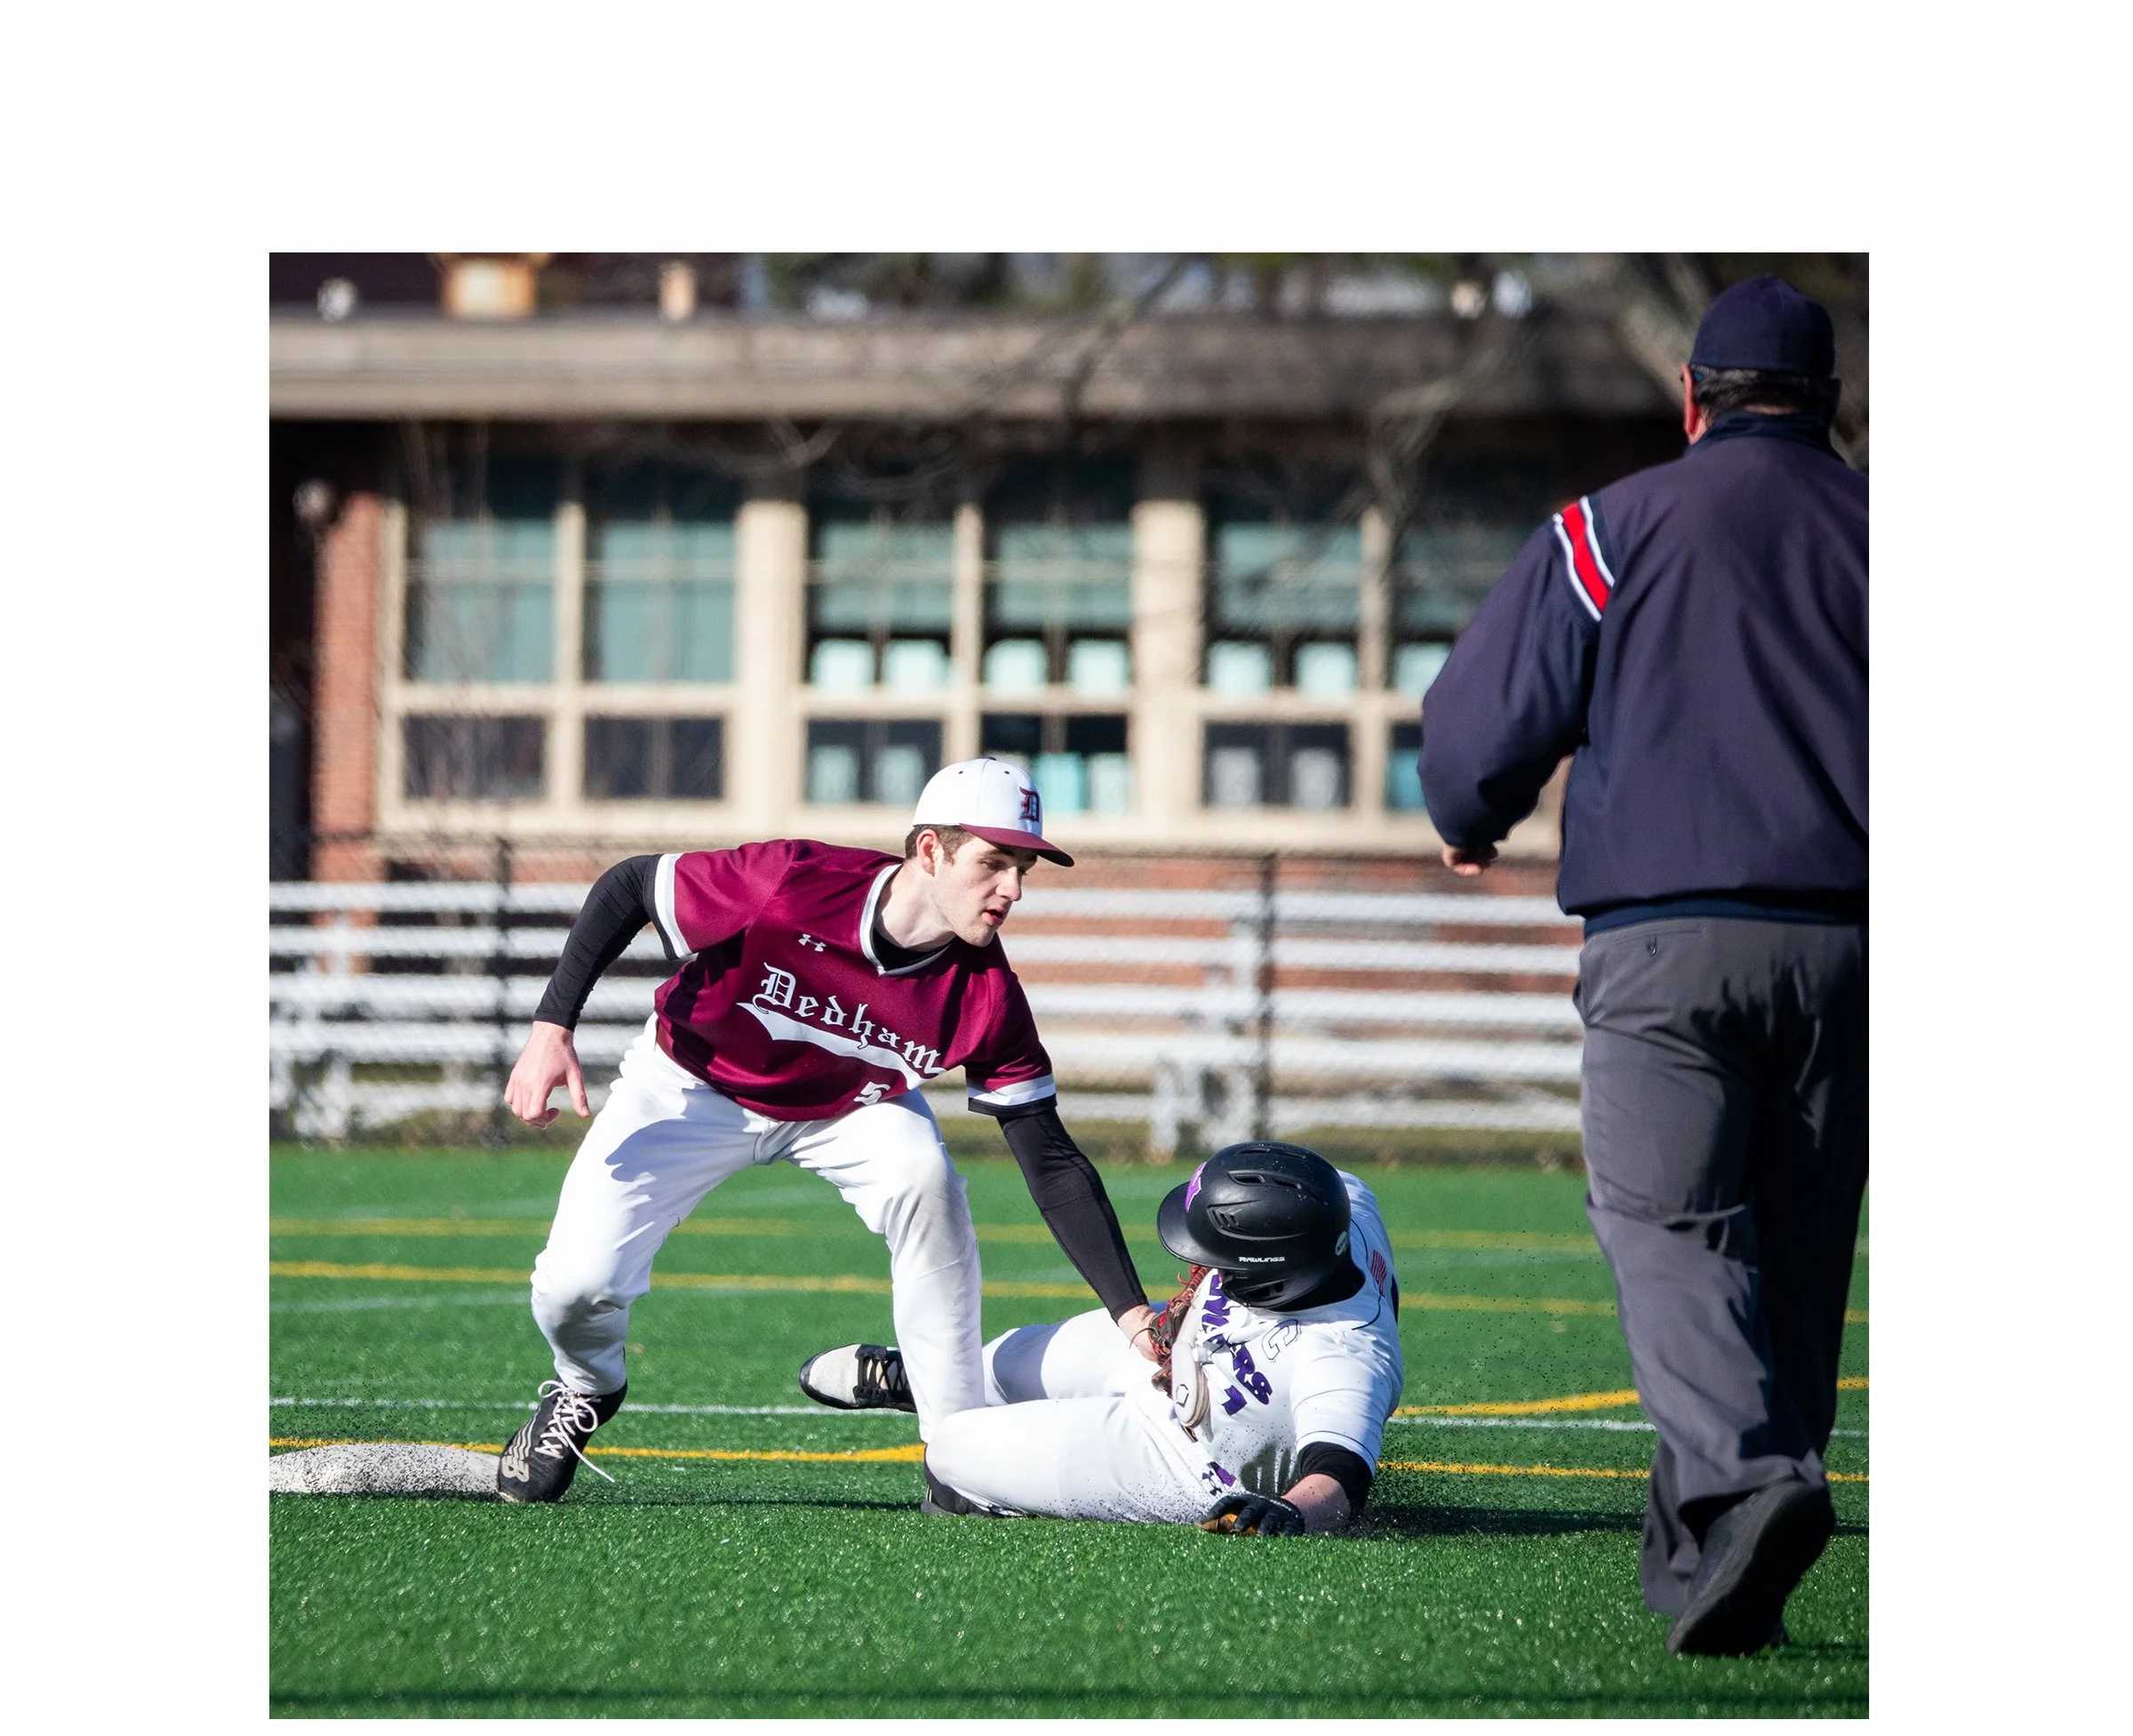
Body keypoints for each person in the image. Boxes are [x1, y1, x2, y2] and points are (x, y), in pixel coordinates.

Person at [1418, 275, 1866, 1655]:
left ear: (1690, 398)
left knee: (1670, 1227)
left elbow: (1483, 718)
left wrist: (1472, 813)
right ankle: (1704, 1567)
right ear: (1830, 402)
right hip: (1860, 943)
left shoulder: (1611, 528)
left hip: (1668, 937)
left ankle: (1752, 1482)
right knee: (1796, 1255)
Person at [494, 757, 1159, 1503]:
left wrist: (1131, 1312)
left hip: (848, 1108)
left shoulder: (986, 995)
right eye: (994, 863)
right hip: (691, 1083)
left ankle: (958, 1452)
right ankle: (587, 1385)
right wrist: (552, 1027)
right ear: (931, 851)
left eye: (1023, 869)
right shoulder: (792, 882)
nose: (1013, 889)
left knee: (924, 1176)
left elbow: (1052, 1163)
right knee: (572, 1289)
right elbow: (630, 885)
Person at [802, 1142, 1402, 1534]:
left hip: (1184, 1455)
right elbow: (1331, 1181)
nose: (1201, 1262)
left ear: (1272, 1272)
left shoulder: (1342, 1358)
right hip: (1176, 1350)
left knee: (952, 1448)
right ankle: (927, 1382)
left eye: (1219, 1256)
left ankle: (984, 1494)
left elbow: (1340, 1474)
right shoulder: (1337, 1204)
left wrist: (1292, 1511)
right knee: (1005, 1361)